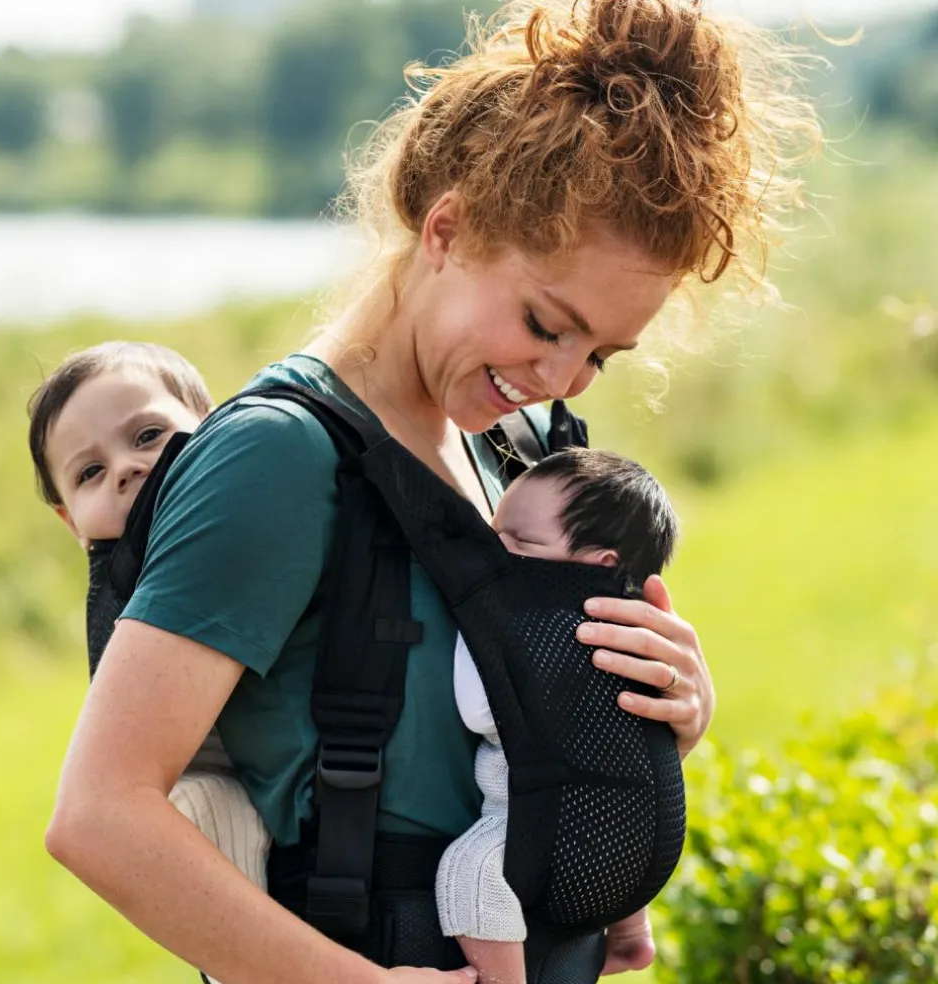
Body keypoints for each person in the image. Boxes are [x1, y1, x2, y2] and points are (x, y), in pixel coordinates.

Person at [43, 1, 821, 982]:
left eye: (603, 356)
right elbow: (100, 816)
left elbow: (470, 755)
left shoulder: (510, 449)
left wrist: (666, 708)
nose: (562, 378)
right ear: (447, 229)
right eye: (546, 323)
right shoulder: (279, 461)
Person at [27, 342, 272, 908]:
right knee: (204, 811)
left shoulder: (251, 511)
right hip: (210, 789)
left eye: (147, 436)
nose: (127, 468)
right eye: (90, 472)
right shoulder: (119, 571)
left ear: (215, 429)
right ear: (71, 522)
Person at [436, 447, 678, 984]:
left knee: (467, 873)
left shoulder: (539, 631)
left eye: (520, 542)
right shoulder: (634, 629)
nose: (496, 551)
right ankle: (633, 936)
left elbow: (482, 711)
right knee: (605, 836)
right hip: (642, 834)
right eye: (494, 532)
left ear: (601, 563)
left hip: (544, 826)